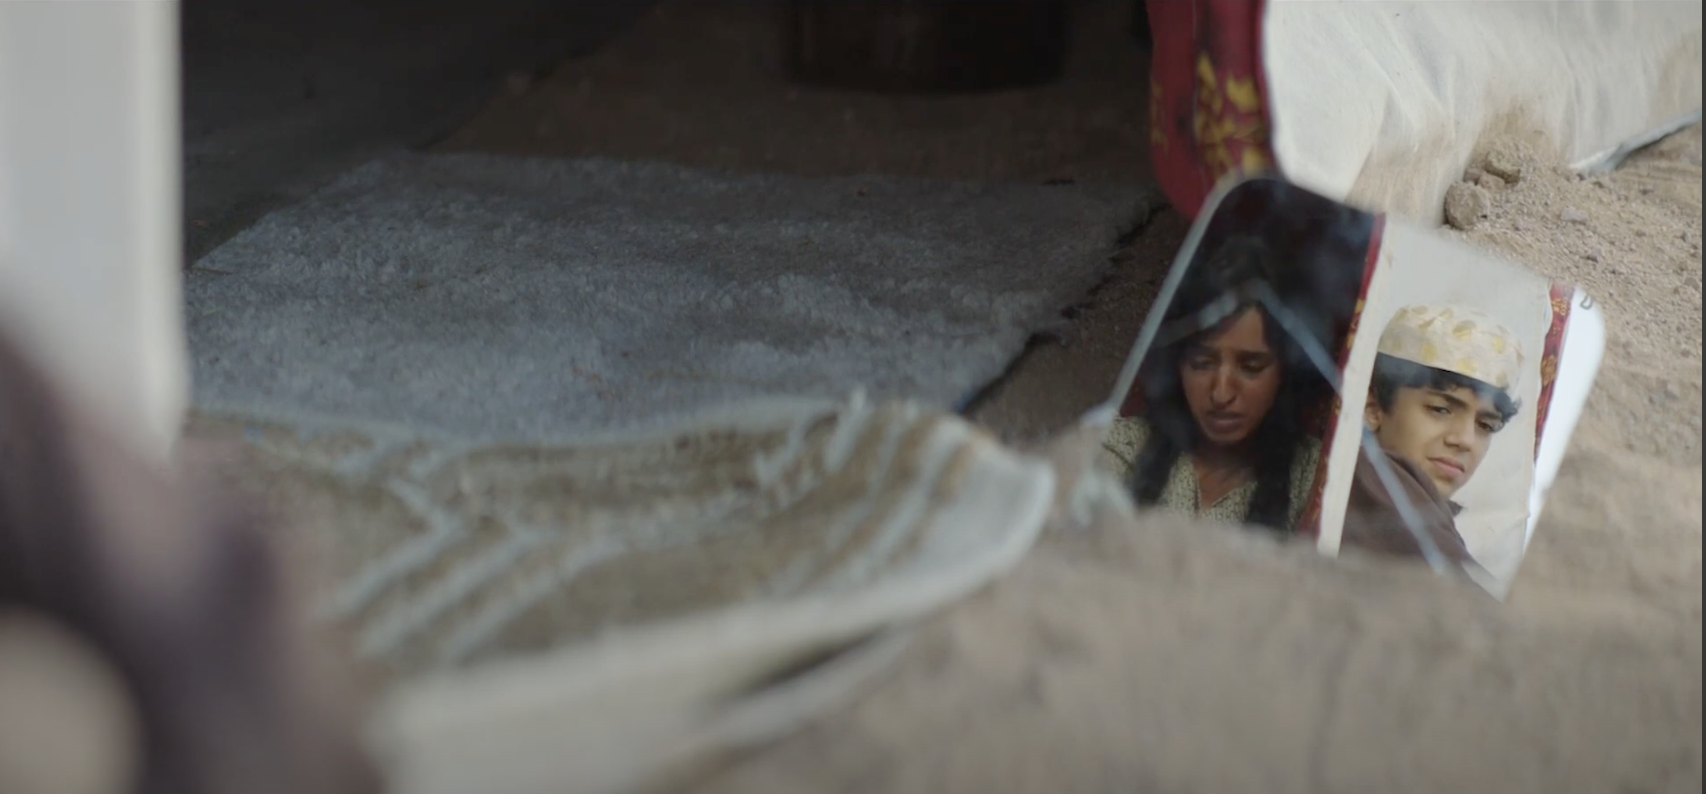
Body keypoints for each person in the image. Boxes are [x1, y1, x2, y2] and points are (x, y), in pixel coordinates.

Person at [1100, 235, 1329, 532]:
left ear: (1286, 371)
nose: (1221, 394)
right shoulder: (1123, 449)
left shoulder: (1320, 479)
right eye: (1201, 363)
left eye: (1251, 367)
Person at [1341, 304, 1525, 566]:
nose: (1465, 440)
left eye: (1485, 425)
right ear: (1373, 408)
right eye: (1440, 409)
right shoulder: (1373, 479)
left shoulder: (1424, 508)